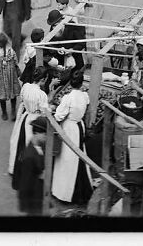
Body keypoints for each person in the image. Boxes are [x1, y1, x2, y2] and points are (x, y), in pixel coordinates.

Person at [51, 71, 94, 206]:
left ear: (71, 83)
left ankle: (64, 192)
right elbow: (86, 110)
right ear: (82, 84)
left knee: (66, 160)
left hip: (69, 128)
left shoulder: (67, 98)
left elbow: (58, 116)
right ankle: (80, 188)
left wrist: (54, 110)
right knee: (79, 157)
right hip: (79, 126)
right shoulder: (85, 96)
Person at [9, 66, 50, 184]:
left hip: (25, 116)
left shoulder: (25, 86)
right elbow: (44, 111)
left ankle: (15, 167)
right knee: (30, 144)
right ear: (43, 79)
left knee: (19, 142)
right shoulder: (41, 95)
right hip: (34, 119)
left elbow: (22, 100)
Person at [16, 114, 48, 216]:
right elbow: (25, 183)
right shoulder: (29, 156)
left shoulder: (39, 145)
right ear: (37, 133)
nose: (47, 137)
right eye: (45, 134)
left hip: (38, 192)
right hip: (32, 197)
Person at [0, 31, 22, 121]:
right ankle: (13, 111)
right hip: (11, 76)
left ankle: (4, 112)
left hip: (0, 78)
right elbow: (16, 61)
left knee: (1, 94)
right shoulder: (11, 51)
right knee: (13, 93)